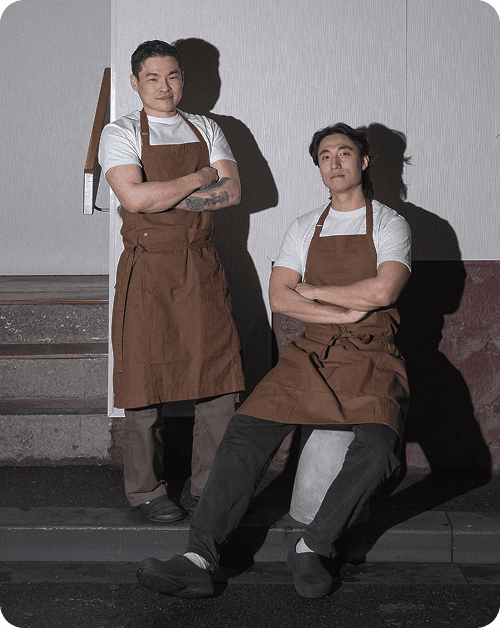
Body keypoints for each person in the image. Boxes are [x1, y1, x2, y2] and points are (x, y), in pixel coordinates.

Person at [135, 123, 411, 598]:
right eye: (325, 156)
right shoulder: (304, 226)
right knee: (245, 430)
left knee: (380, 447)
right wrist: (343, 309)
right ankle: (199, 556)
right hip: (312, 352)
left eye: (345, 153)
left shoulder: (390, 223)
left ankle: (313, 547)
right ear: (318, 168)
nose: (335, 163)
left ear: (364, 162)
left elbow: (383, 290)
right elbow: (281, 298)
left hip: (372, 353)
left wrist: (313, 290)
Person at [98, 40, 244, 523]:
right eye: (153, 78)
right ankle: (146, 491)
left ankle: (208, 486)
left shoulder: (207, 127)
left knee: (218, 382)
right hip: (148, 270)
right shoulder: (119, 132)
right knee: (143, 384)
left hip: (200, 265)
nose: (165, 87)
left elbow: (231, 193)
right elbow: (134, 199)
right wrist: (199, 178)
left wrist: (163, 196)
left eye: (173, 76)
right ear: (135, 82)